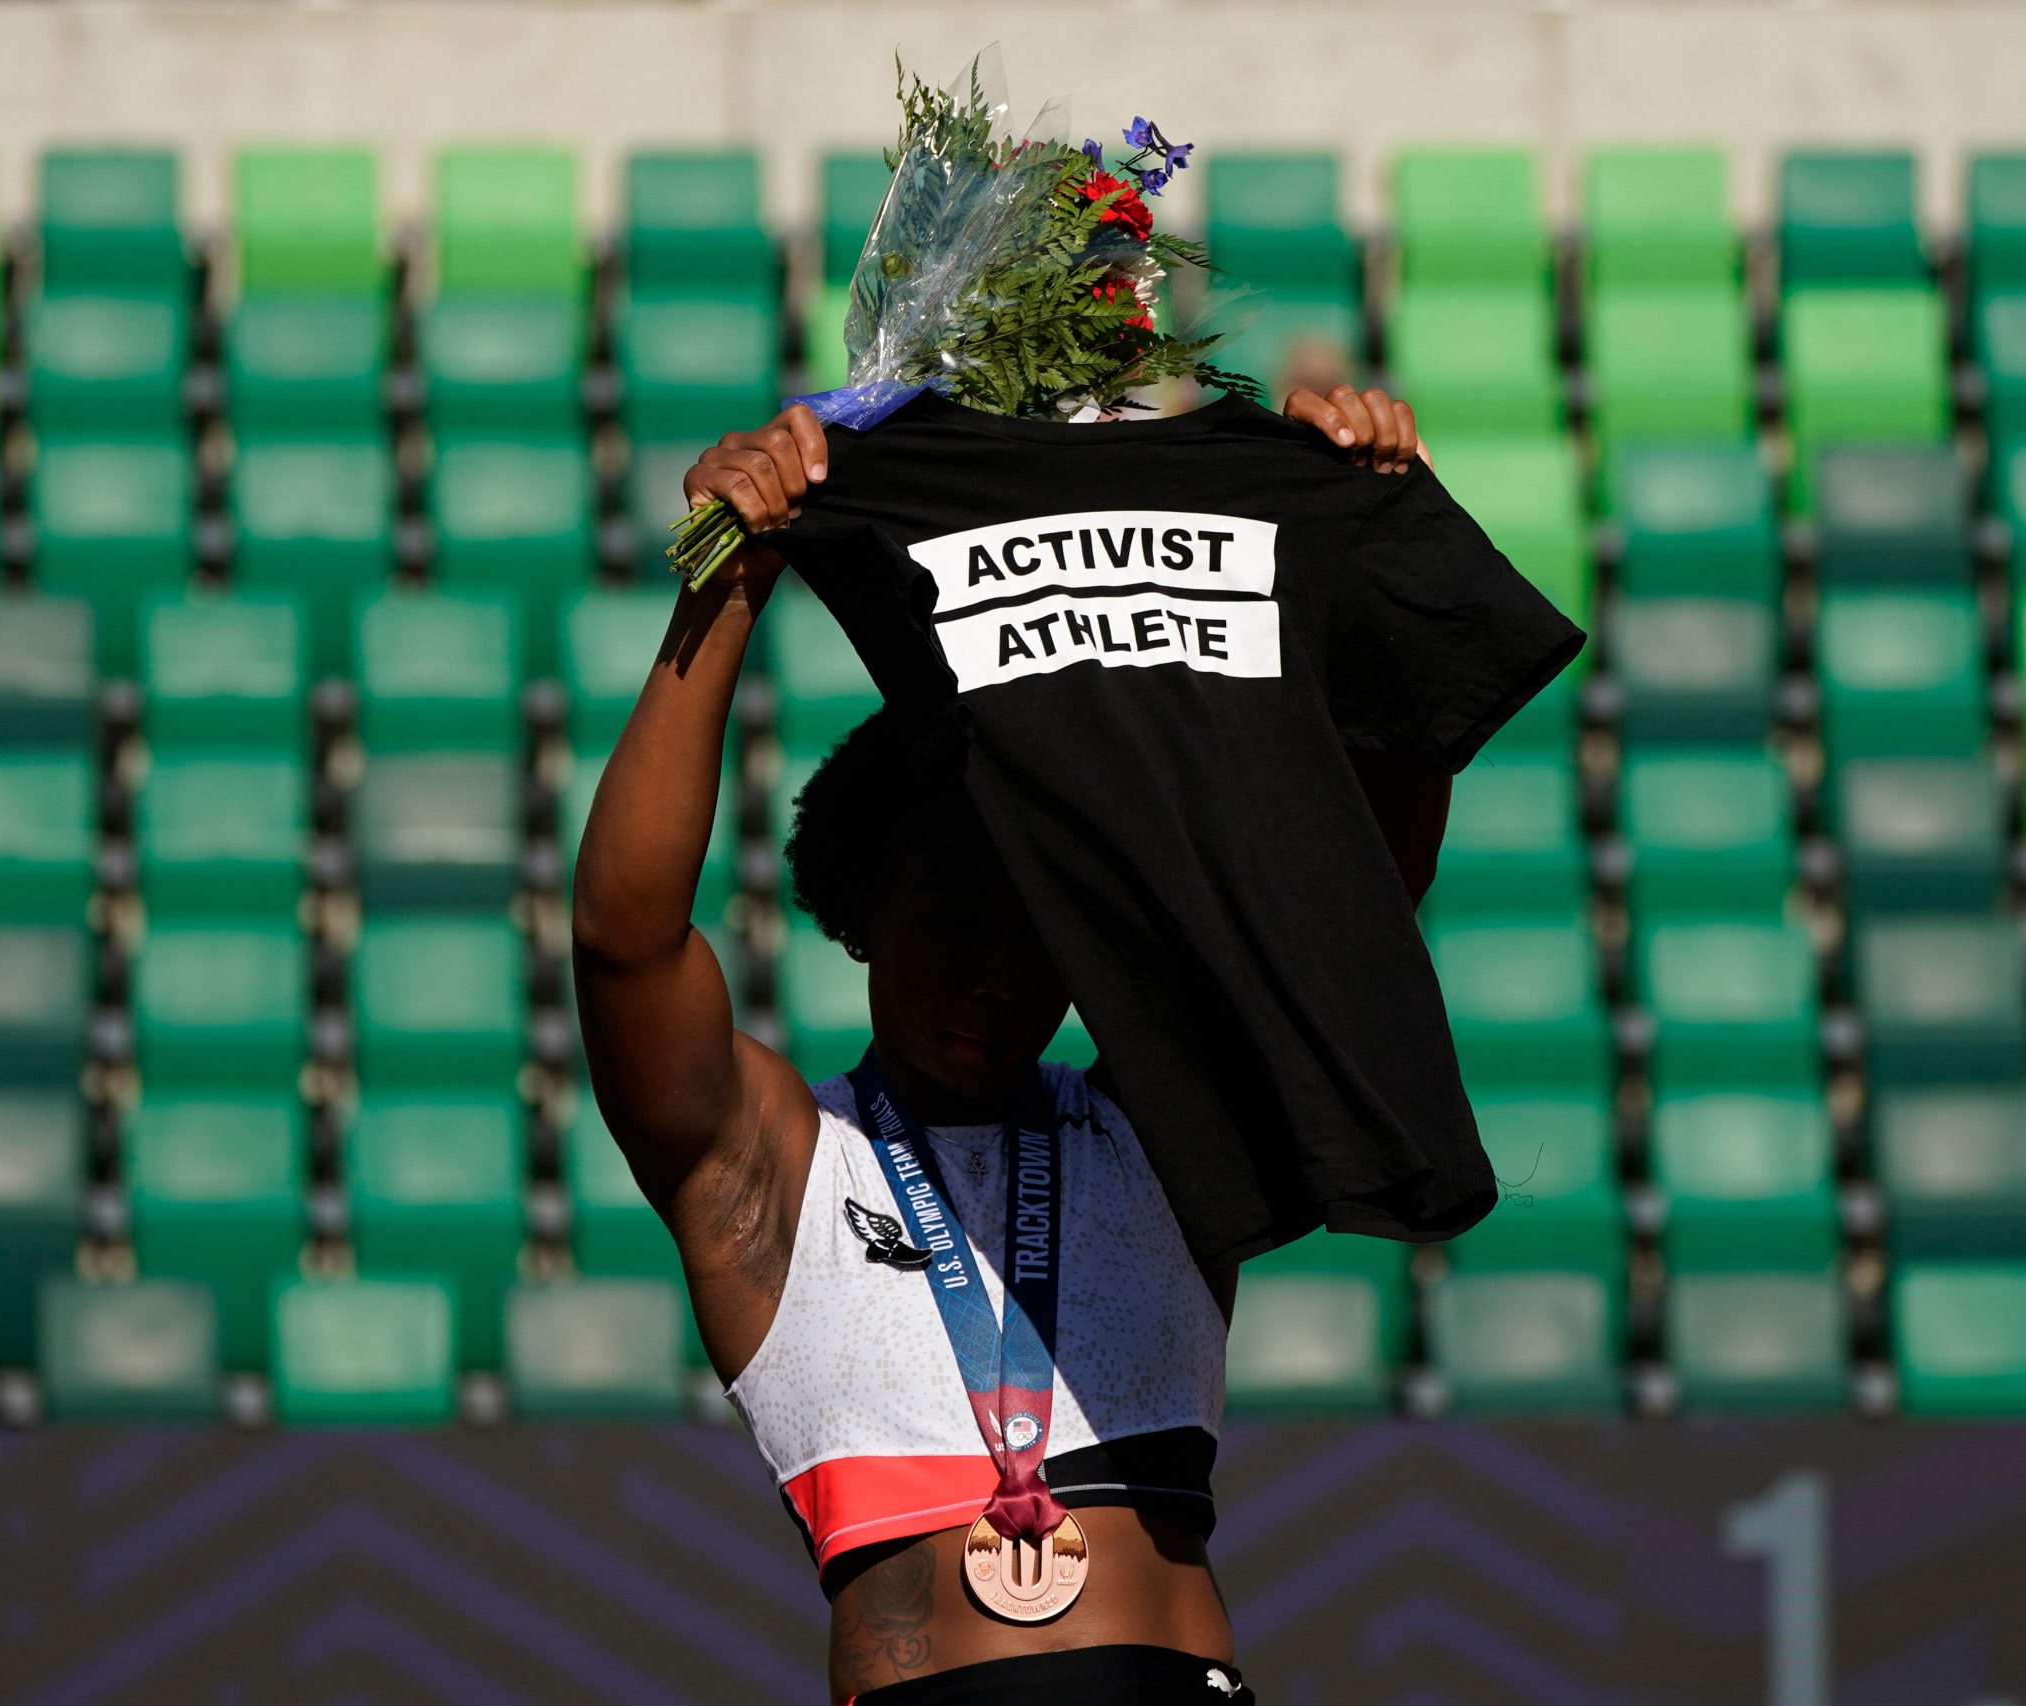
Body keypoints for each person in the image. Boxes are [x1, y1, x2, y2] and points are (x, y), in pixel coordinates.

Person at [572, 383, 1437, 1706]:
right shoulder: (771, 1162)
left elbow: (1358, 899)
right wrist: (729, 585)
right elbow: (625, 941)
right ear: (860, 916)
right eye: (951, 925)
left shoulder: (1167, 1125)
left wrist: (1370, 541)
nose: (994, 975)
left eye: (1038, 931)